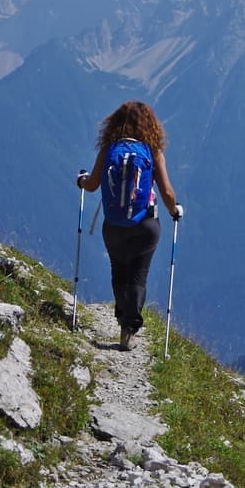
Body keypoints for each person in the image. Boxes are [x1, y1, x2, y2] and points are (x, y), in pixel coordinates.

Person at [77, 101, 183, 351]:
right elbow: (166, 191)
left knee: (119, 271)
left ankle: (121, 313)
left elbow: (92, 185)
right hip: (146, 224)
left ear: (114, 123)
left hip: (113, 224)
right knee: (138, 275)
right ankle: (129, 327)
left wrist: (80, 181)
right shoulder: (152, 149)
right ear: (150, 124)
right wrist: (174, 210)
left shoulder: (109, 147)